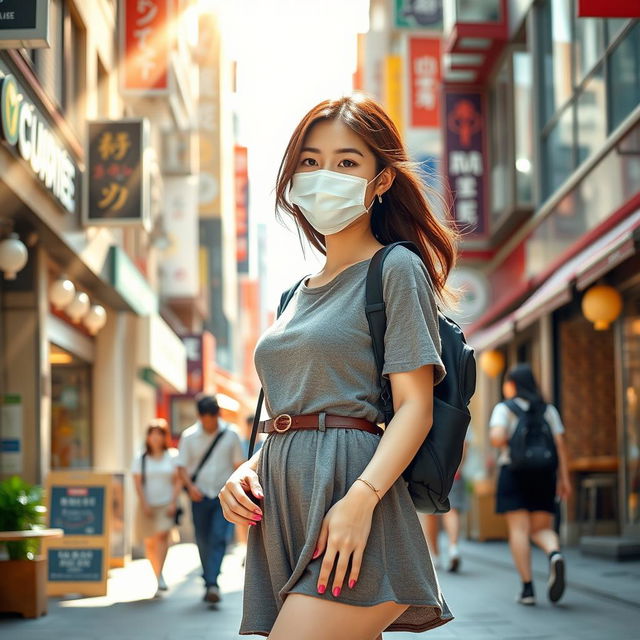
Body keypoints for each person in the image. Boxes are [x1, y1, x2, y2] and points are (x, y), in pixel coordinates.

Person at [219, 94, 458, 640]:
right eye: (310, 160)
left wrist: (361, 500)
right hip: (284, 511)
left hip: (353, 503)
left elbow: (414, 408)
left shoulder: (395, 268)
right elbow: (296, 409)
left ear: (379, 182)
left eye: (347, 162)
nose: (325, 175)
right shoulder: (292, 296)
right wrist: (248, 469)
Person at [489, 363, 571, 606]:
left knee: (519, 530)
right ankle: (554, 554)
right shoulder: (548, 410)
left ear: (512, 384)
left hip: (514, 472)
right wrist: (563, 479)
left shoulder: (505, 409)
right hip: (544, 474)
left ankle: (527, 590)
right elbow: (560, 446)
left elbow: (496, 438)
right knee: (541, 529)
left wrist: (510, 439)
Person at [177, 394, 245, 604]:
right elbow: (181, 467)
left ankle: (212, 582)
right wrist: (190, 487)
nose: (209, 423)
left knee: (219, 536)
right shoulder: (189, 437)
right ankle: (209, 579)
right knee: (202, 538)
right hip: (199, 495)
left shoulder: (230, 435)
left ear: (218, 415)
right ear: (199, 416)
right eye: (205, 418)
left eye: (213, 418)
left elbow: (238, 465)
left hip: (222, 496)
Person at [131, 418, 181, 596]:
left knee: (162, 536)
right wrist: (144, 503)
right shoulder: (141, 458)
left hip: (166, 504)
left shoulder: (173, 456)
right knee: (150, 542)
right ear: (148, 436)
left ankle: (160, 576)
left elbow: (177, 481)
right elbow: (137, 483)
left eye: (160, 433)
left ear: (164, 436)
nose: (156, 437)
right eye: (152, 433)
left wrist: (174, 502)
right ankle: (157, 574)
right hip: (147, 505)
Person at [420, 436, 469, 572]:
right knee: (451, 510)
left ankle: (435, 556)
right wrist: (457, 468)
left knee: (429, 511)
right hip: (451, 469)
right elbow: (464, 444)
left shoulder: (423, 413)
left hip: (426, 470)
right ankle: (453, 548)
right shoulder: (460, 413)